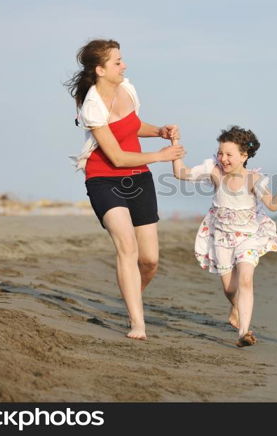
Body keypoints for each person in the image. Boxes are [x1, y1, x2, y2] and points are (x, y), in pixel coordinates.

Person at [66, 39, 185, 340]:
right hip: (104, 179)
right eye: (117, 62)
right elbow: (116, 157)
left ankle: (130, 293)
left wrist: (159, 131)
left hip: (139, 179)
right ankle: (137, 324)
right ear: (100, 70)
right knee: (127, 248)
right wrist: (160, 156)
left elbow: (132, 125)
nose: (124, 65)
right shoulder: (91, 105)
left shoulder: (128, 89)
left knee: (150, 261)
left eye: (122, 60)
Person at [171, 126, 277, 347]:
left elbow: (273, 205)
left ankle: (244, 332)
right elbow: (180, 174)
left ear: (244, 156)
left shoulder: (254, 179)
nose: (222, 158)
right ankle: (235, 309)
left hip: (249, 236)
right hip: (222, 237)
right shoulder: (215, 172)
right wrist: (174, 146)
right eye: (220, 153)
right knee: (229, 289)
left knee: (245, 279)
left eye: (228, 154)